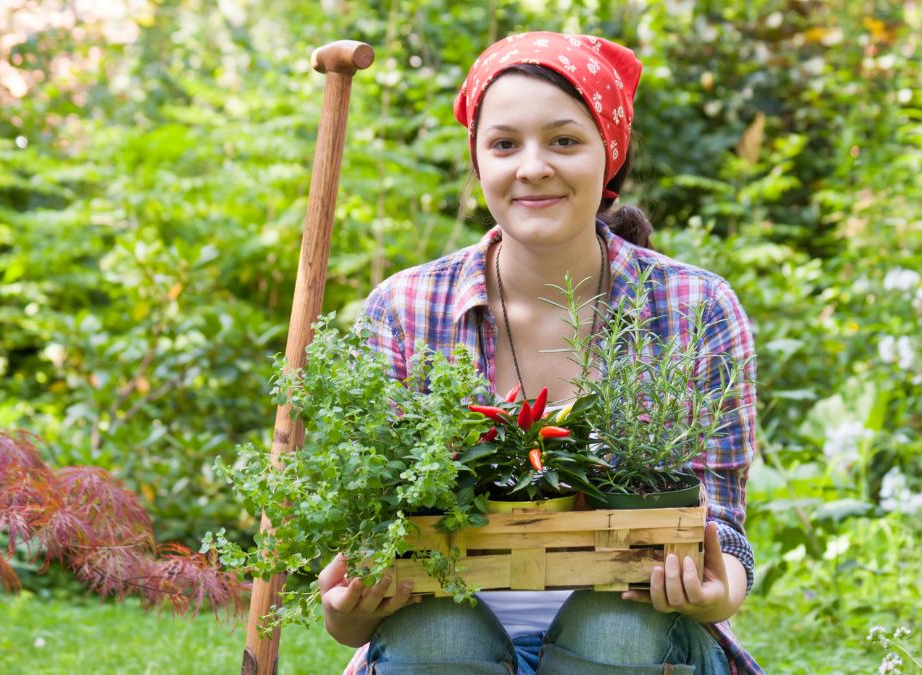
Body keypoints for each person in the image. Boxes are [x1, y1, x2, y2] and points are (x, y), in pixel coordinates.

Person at [323, 31, 762, 674]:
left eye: (564, 140)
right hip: (444, 638)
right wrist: (348, 611)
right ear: (478, 161)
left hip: (637, 644)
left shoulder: (694, 306)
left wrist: (717, 590)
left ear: (607, 156)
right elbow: (370, 527)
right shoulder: (406, 307)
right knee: (436, 642)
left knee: (614, 631)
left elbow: (720, 522)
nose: (532, 167)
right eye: (504, 144)